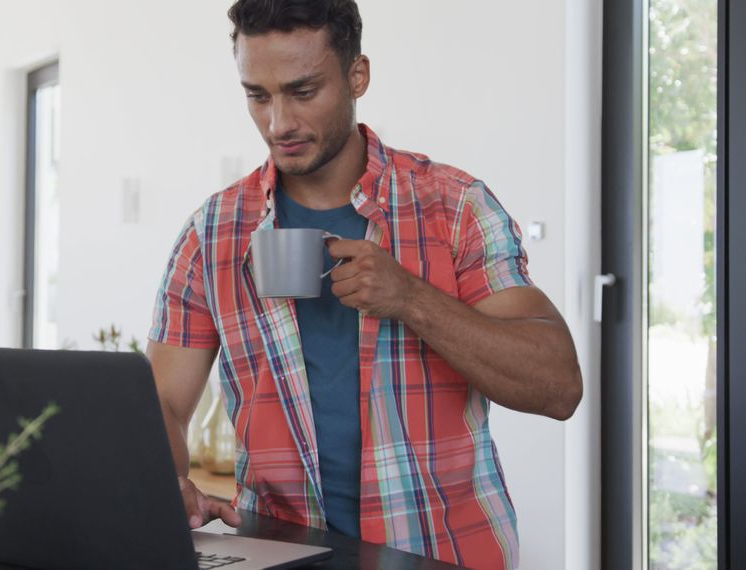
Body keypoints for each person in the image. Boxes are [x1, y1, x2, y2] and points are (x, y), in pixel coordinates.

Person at [146, 1, 583, 568]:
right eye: (258, 95)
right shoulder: (213, 234)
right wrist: (166, 478)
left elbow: (558, 384)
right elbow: (160, 400)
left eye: (303, 91)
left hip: (444, 553)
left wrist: (411, 298)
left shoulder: (455, 207)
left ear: (358, 76)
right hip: (281, 555)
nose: (279, 123)